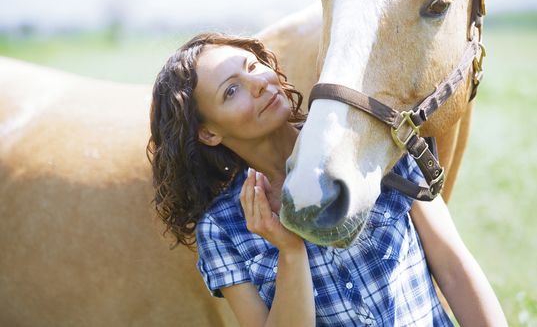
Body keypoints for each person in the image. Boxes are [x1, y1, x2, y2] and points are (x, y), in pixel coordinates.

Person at [146, 32, 507, 326]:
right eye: (231, 90)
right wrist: (290, 251)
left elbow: (454, 269)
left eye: (253, 66)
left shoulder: (372, 142)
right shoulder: (222, 229)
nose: (257, 83)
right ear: (209, 134)